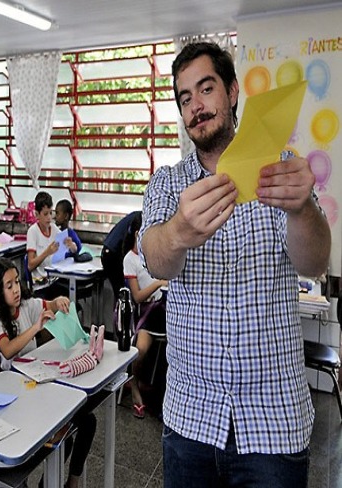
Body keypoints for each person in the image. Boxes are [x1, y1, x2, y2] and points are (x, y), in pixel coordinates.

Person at [139, 41, 331, 487]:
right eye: (185, 98)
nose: (196, 107)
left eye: (205, 90)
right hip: (190, 421)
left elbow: (315, 263)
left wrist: (304, 210)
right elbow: (155, 259)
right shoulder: (169, 184)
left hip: (273, 425)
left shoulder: (282, 171)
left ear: (232, 91)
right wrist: (180, 232)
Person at [0, 257, 93, 488]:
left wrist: (59, 301)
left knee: (87, 421)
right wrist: (35, 328)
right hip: (16, 394)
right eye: (9, 286)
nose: (16, 290)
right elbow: (7, 350)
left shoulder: (28, 305)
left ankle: (70, 482)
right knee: (62, 435)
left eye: (16, 282)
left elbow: (50, 304)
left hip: (38, 383)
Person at [121, 212, 167, 419]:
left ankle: (162, 396)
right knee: (141, 350)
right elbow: (137, 296)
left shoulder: (155, 252)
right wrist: (158, 283)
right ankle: (135, 385)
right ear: (139, 233)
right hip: (144, 312)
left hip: (163, 307)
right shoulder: (129, 260)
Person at [100, 212, 140, 310]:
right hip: (112, 255)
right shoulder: (139, 220)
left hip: (110, 251)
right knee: (123, 294)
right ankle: (120, 321)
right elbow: (128, 243)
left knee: (123, 294)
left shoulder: (137, 215)